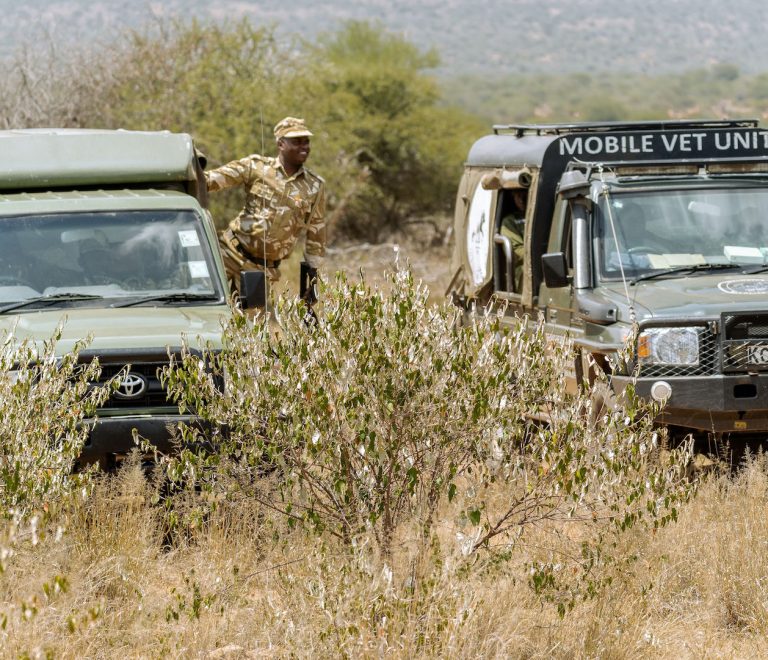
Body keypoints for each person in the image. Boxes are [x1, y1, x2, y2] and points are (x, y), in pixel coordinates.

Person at [205, 116, 326, 295]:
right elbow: (210, 181)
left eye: (306, 141)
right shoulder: (256, 167)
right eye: (297, 141)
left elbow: (316, 233)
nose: (304, 147)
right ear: (281, 144)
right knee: (201, 303)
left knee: (253, 321)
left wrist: (311, 280)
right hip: (228, 254)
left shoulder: (314, 186)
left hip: (262, 269)